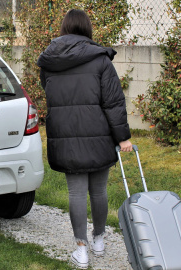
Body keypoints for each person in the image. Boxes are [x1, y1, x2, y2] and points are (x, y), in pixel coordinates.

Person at [37, 9, 132, 269]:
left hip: (66, 137)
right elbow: (114, 103)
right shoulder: (101, 60)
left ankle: (81, 250)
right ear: (87, 29)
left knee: (75, 194)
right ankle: (99, 239)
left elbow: (51, 94)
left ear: (64, 29)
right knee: (99, 190)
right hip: (99, 135)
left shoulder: (49, 62)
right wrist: (122, 137)